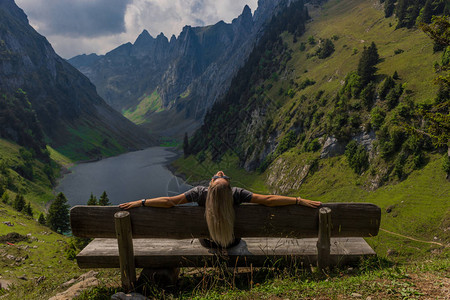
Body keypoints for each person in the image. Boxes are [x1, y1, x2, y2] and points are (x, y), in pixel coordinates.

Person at [119, 171, 321, 249]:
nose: (220, 173)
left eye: (219, 177)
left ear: (211, 185)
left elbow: (169, 202)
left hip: (208, 243)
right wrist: (297, 199)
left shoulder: (200, 193)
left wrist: (142, 202)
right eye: (220, 176)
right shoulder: (236, 194)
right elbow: (268, 200)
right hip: (232, 242)